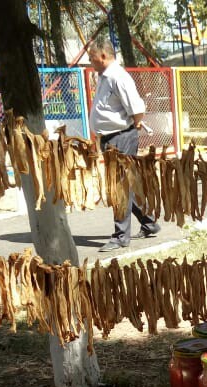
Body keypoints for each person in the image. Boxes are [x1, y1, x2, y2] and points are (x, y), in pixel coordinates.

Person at [88, 38, 159, 252]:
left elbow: (137, 108)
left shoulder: (118, 77)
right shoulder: (104, 77)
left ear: (102, 56)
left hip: (121, 137)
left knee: (119, 187)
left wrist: (136, 122)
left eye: (92, 57)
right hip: (110, 138)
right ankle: (149, 223)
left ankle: (120, 236)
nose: (90, 61)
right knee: (124, 184)